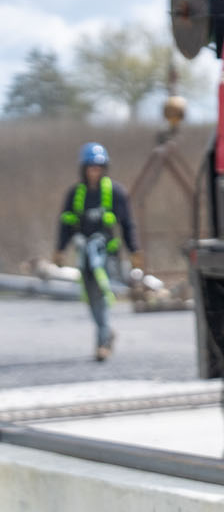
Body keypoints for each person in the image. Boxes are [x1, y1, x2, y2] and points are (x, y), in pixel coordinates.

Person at [53, 142, 142, 361]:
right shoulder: (75, 194)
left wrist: (134, 251)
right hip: (84, 253)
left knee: (102, 294)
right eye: (90, 166)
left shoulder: (116, 192)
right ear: (83, 168)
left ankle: (102, 341)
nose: (94, 170)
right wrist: (59, 249)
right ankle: (105, 331)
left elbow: (127, 224)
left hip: (107, 254)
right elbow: (66, 223)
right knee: (91, 297)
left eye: (98, 166)